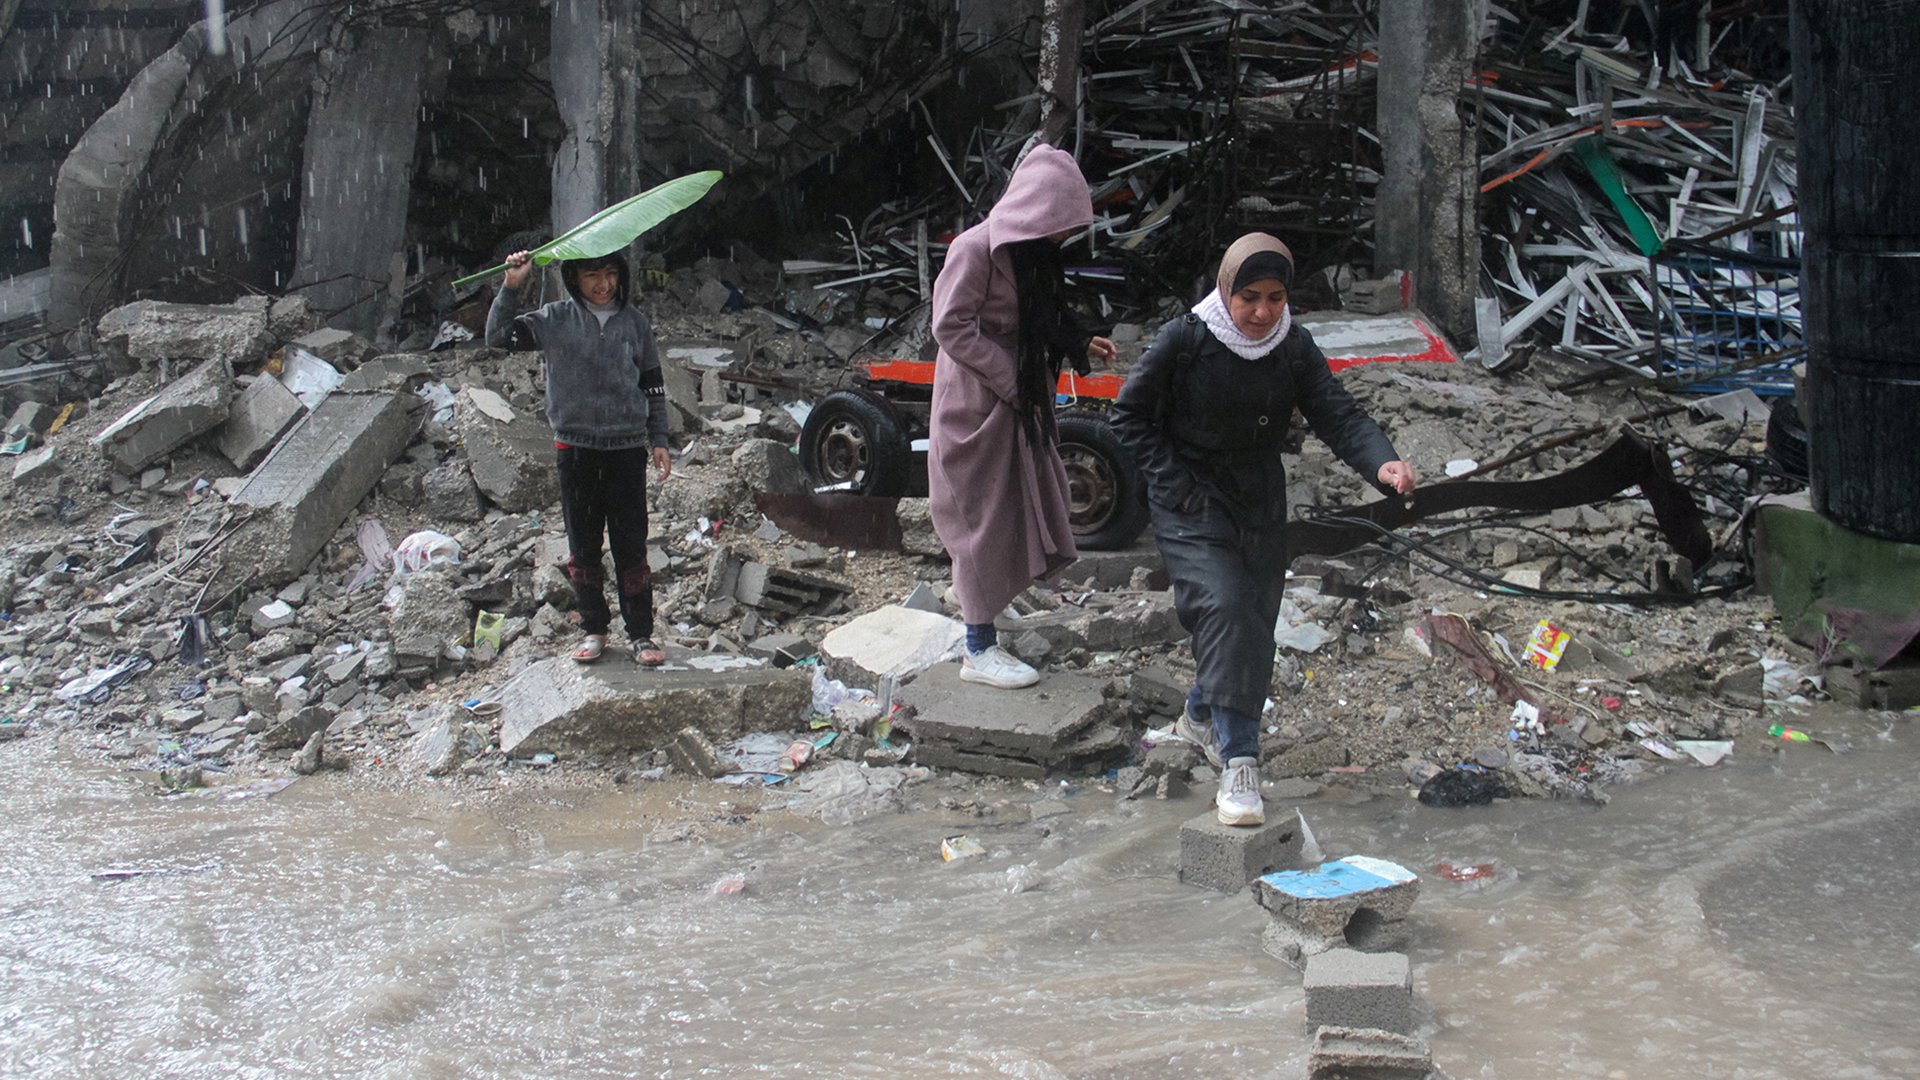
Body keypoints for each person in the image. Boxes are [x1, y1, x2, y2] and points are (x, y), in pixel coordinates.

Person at [1111, 233, 1416, 826]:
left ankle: (1202, 714)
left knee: (1254, 618)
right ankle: (1240, 761)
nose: (1261, 313)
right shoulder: (1186, 340)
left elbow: (1337, 412)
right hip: (1190, 497)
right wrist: (1174, 485)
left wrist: (1384, 463)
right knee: (1223, 605)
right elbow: (1129, 417)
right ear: (1224, 290)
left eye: (1275, 298)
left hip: (1256, 498)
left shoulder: (1292, 347)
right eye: (1249, 296)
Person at [928, 144, 1118, 690]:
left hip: (1017, 400)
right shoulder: (975, 250)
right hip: (977, 399)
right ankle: (977, 648)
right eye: (1060, 222)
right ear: (1036, 209)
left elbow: (1044, 312)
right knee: (977, 517)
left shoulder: (1030, 255)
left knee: (1013, 505)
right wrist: (1010, 379)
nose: (1064, 236)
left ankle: (985, 608)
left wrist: (1080, 338)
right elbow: (951, 327)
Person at [485, 248, 673, 666]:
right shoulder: (553, 320)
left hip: (626, 449)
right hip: (575, 449)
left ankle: (641, 634)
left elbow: (653, 384)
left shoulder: (635, 324)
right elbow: (498, 337)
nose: (603, 284)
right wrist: (512, 286)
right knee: (583, 544)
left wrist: (659, 438)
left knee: (631, 544)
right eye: (592, 275)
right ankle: (594, 628)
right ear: (574, 278)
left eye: (610, 273)